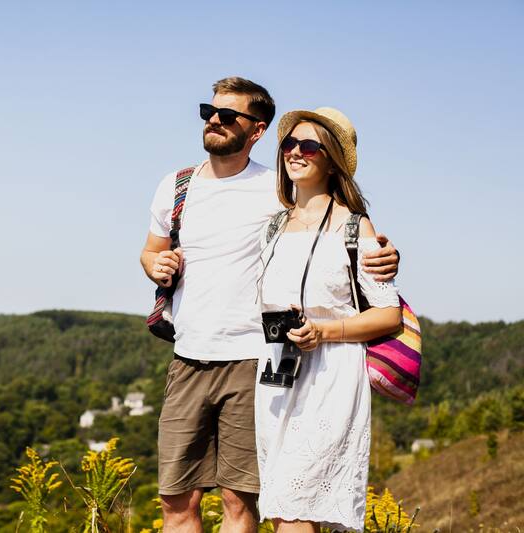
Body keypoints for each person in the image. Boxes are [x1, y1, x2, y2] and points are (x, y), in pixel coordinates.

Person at [140, 78, 400, 533]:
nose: (214, 121)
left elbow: (364, 267)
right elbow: (150, 250)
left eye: (227, 115)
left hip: (265, 363)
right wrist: (155, 264)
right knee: (185, 503)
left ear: (256, 130)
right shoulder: (188, 190)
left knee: (253, 506)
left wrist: (388, 255)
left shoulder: (281, 194)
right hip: (207, 358)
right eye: (208, 111)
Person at [254, 107, 402, 533]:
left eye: (309, 146)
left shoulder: (355, 228)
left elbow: (388, 313)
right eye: (288, 144)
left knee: (298, 512)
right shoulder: (273, 226)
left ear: (331, 159)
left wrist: (324, 331)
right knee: (284, 509)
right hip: (277, 377)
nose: (295, 152)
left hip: (330, 379)